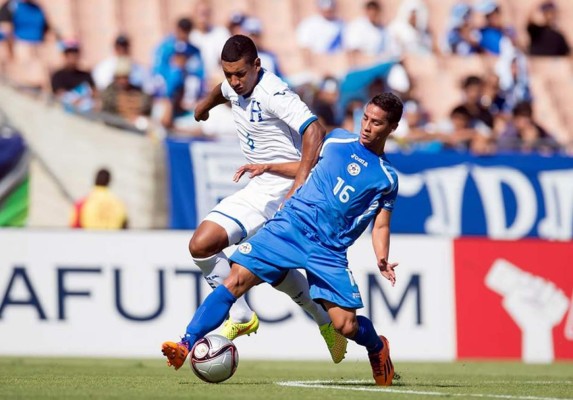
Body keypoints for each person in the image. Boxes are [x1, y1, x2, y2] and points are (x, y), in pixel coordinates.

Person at [162, 92, 403, 386]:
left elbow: (381, 225)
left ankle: (377, 346)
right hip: (289, 226)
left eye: (376, 123)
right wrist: (269, 167)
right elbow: (307, 164)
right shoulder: (338, 139)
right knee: (235, 281)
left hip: (328, 248)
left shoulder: (386, 177)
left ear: (392, 128)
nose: (366, 126)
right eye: (365, 117)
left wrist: (382, 257)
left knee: (345, 325)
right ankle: (186, 343)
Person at [169, 34, 347, 364]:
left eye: (240, 74)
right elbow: (219, 92)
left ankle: (326, 323)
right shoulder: (232, 85)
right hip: (257, 187)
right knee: (202, 245)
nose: (234, 82)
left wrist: (300, 184)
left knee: (270, 269)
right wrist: (201, 109)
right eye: (228, 74)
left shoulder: (274, 92)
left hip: (285, 190)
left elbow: (314, 131)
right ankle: (242, 315)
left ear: (257, 66)